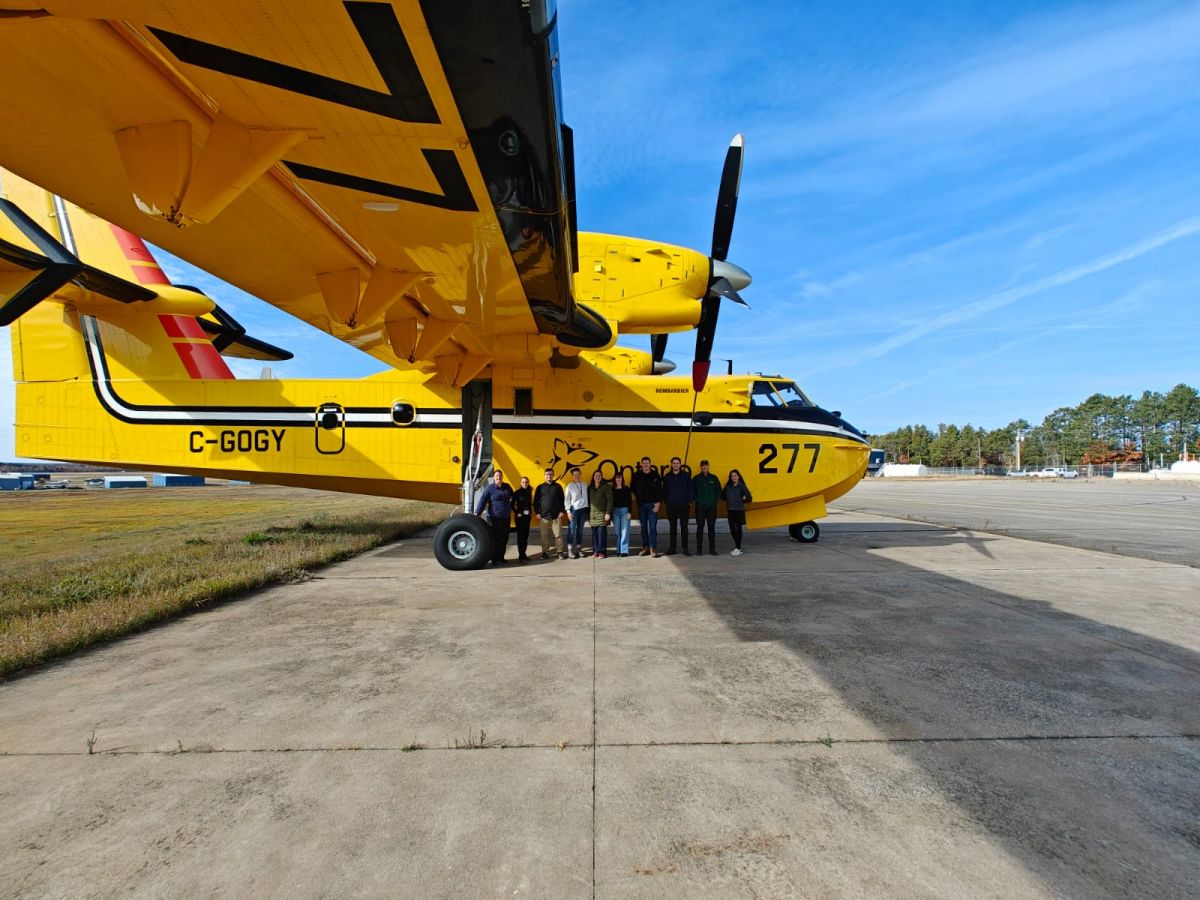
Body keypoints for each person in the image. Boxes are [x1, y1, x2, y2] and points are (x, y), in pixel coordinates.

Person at [474, 469, 514, 565]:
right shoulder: (490, 488)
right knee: (495, 538)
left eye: (500, 476)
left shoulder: (507, 487)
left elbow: (513, 497)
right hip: (494, 518)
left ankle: (501, 557)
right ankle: (494, 559)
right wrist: (477, 512)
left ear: (502, 477)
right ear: (494, 477)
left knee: (504, 538)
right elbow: (483, 500)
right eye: (496, 476)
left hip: (506, 517)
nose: (498, 477)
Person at [631, 456, 662, 558]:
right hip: (641, 505)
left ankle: (653, 548)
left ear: (650, 464)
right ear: (641, 464)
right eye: (644, 463)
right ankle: (646, 548)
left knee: (652, 528)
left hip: (653, 505)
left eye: (647, 463)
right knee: (643, 528)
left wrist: (658, 503)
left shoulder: (655, 475)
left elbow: (659, 490)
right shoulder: (637, 475)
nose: (645, 465)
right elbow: (633, 488)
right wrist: (639, 498)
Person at [662, 456, 694, 555]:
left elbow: (691, 489)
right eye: (674, 463)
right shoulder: (667, 476)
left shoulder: (686, 476)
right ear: (671, 464)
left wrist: (689, 501)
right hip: (671, 506)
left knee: (684, 527)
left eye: (677, 463)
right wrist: (667, 502)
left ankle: (685, 548)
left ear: (680, 465)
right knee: (673, 527)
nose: (675, 465)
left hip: (684, 505)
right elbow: (664, 490)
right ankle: (672, 548)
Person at [533, 467, 567, 560]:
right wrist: (537, 512)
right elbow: (536, 501)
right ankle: (545, 552)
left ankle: (560, 552)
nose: (549, 476)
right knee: (544, 536)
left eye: (551, 474)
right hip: (544, 517)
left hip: (556, 516)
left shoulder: (558, 486)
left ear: (553, 475)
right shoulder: (540, 487)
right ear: (544, 476)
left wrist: (561, 511)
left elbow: (562, 500)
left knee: (558, 535)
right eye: (547, 474)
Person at [692, 459, 721, 556]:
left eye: (706, 465)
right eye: (703, 466)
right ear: (700, 467)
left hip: (711, 507)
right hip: (700, 507)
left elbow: (718, 491)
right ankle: (699, 549)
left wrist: (714, 500)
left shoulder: (714, 478)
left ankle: (712, 549)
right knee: (700, 527)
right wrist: (698, 500)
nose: (704, 467)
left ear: (708, 467)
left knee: (711, 528)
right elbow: (693, 492)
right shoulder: (696, 478)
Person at [724, 468, 753, 556]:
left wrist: (741, 501)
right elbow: (722, 496)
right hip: (730, 510)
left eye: (735, 476)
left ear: (738, 476)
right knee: (732, 529)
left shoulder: (741, 486)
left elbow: (749, 498)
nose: (734, 477)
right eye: (732, 476)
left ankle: (738, 547)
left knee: (738, 529)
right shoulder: (728, 486)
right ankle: (737, 547)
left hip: (739, 510)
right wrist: (729, 500)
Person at [588, 470, 613, 559]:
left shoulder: (606, 487)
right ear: (593, 477)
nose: (597, 477)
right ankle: (595, 551)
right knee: (594, 535)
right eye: (595, 475)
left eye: (599, 475)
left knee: (601, 534)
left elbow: (610, 501)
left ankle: (602, 552)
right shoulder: (590, 487)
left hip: (602, 514)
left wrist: (608, 513)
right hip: (593, 515)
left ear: (601, 477)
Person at [564, 466, 589, 559]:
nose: (577, 476)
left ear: (580, 474)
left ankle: (579, 549)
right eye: (575, 475)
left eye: (578, 474)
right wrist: (568, 511)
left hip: (583, 510)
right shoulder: (569, 486)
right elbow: (567, 500)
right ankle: (570, 550)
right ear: (572, 476)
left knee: (580, 530)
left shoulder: (584, 484)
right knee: (571, 529)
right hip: (574, 510)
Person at [511, 475, 533, 563]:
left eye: (526, 482)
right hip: (520, 518)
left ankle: (524, 554)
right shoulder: (517, 492)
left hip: (527, 517)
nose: (525, 484)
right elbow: (512, 504)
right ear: (520, 483)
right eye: (523, 482)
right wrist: (517, 512)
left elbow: (529, 504)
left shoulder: (529, 492)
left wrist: (530, 513)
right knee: (521, 537)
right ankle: (521, 556)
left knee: (526, 536)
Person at [610, 472, 632, 557]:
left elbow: (630, 501)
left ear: (622, 479)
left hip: (625, 511)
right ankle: (618, 550)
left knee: (624, 531)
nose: (618, 480)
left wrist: (629, 512)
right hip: (615, 511)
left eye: (620, 478)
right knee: (618, 531)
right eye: (617, 478)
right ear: (614, 480)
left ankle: (624, 551)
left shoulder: (626, 488)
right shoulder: (612, 489)